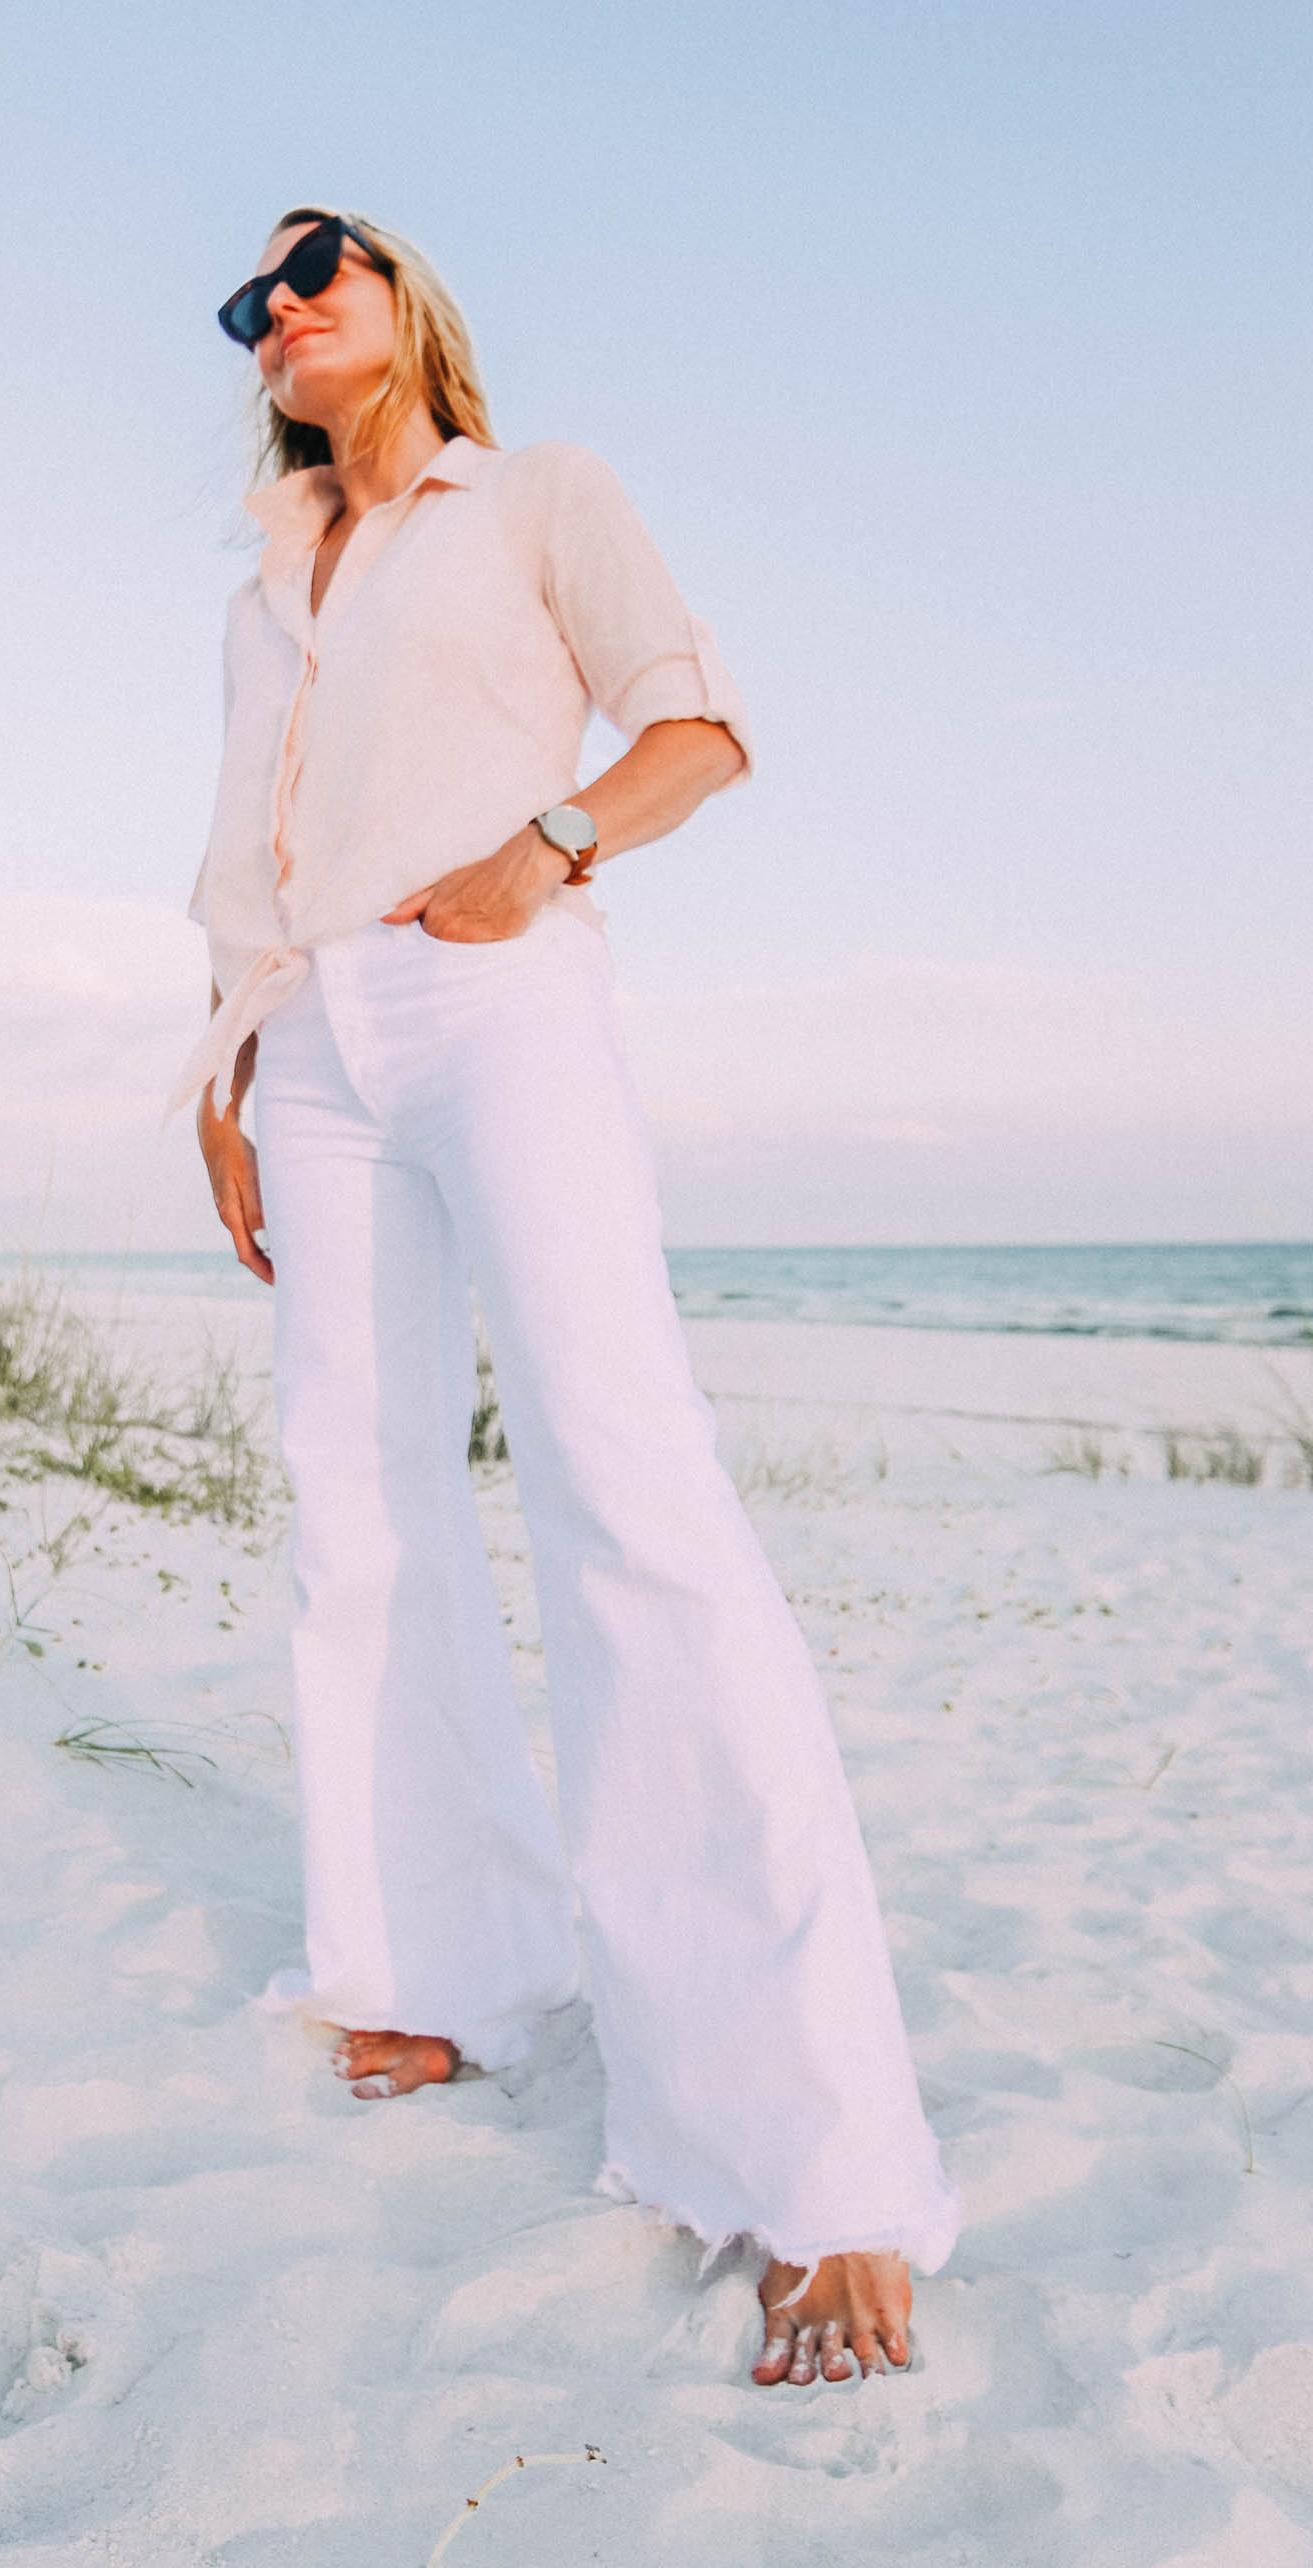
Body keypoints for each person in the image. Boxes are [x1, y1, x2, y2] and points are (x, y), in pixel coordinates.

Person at [175, 208, 958, 2388]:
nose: (285, 306)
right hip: (307, 1037)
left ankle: (817, 2170)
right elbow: (241, 844)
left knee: (627, 1491)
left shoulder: (534, 494)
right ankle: (436, 1967)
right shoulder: (267, 583)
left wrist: (552, 846)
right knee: (361, 1504)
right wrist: (224, 1064)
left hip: (493, 992)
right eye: (253, 303)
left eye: (314, 262)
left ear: (405, 293)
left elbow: (694, 726)